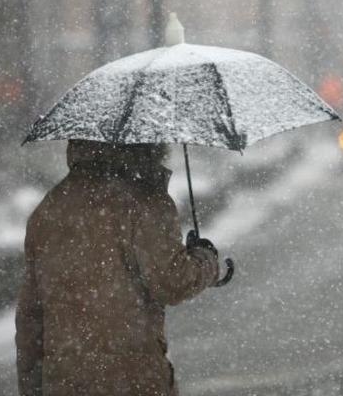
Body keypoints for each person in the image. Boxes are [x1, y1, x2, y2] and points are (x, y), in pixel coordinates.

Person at [16, 140, 220, 396]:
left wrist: (32, 384)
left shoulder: (50, 207)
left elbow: (31, 314)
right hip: (132, 378)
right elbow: (172, 282)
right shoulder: (146, 202)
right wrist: (206, 260)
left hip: (64, 380)